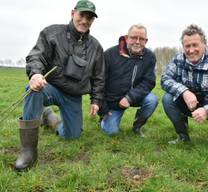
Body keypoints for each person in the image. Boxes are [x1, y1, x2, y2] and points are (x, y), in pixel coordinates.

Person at [14, 0, 105, 171]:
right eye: (82, 15)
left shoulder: (96, 47)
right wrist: (36, 74)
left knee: (72, 136)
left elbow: (99, 77)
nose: (85, 20)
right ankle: (28, 151)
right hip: (51, 88)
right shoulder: (52, 33)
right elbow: (36, 56)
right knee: (33, 90)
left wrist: (96, 100)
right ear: (73, 13)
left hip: (73, 95)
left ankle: (49, 117)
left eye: (90, 18)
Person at [98, 24, 158, 137]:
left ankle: (137, 127)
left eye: (142, 39)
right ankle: (103, 120)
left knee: (152, 100)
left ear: (146, 41)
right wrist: (103, 109)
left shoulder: (150, 57)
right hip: (113, 101)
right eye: (134, 37)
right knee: (111, 132)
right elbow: (98, 83)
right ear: (126, 38)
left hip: (134, 97)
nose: (137, 42)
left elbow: (149, 81)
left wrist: (129, 97)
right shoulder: (109, 54)